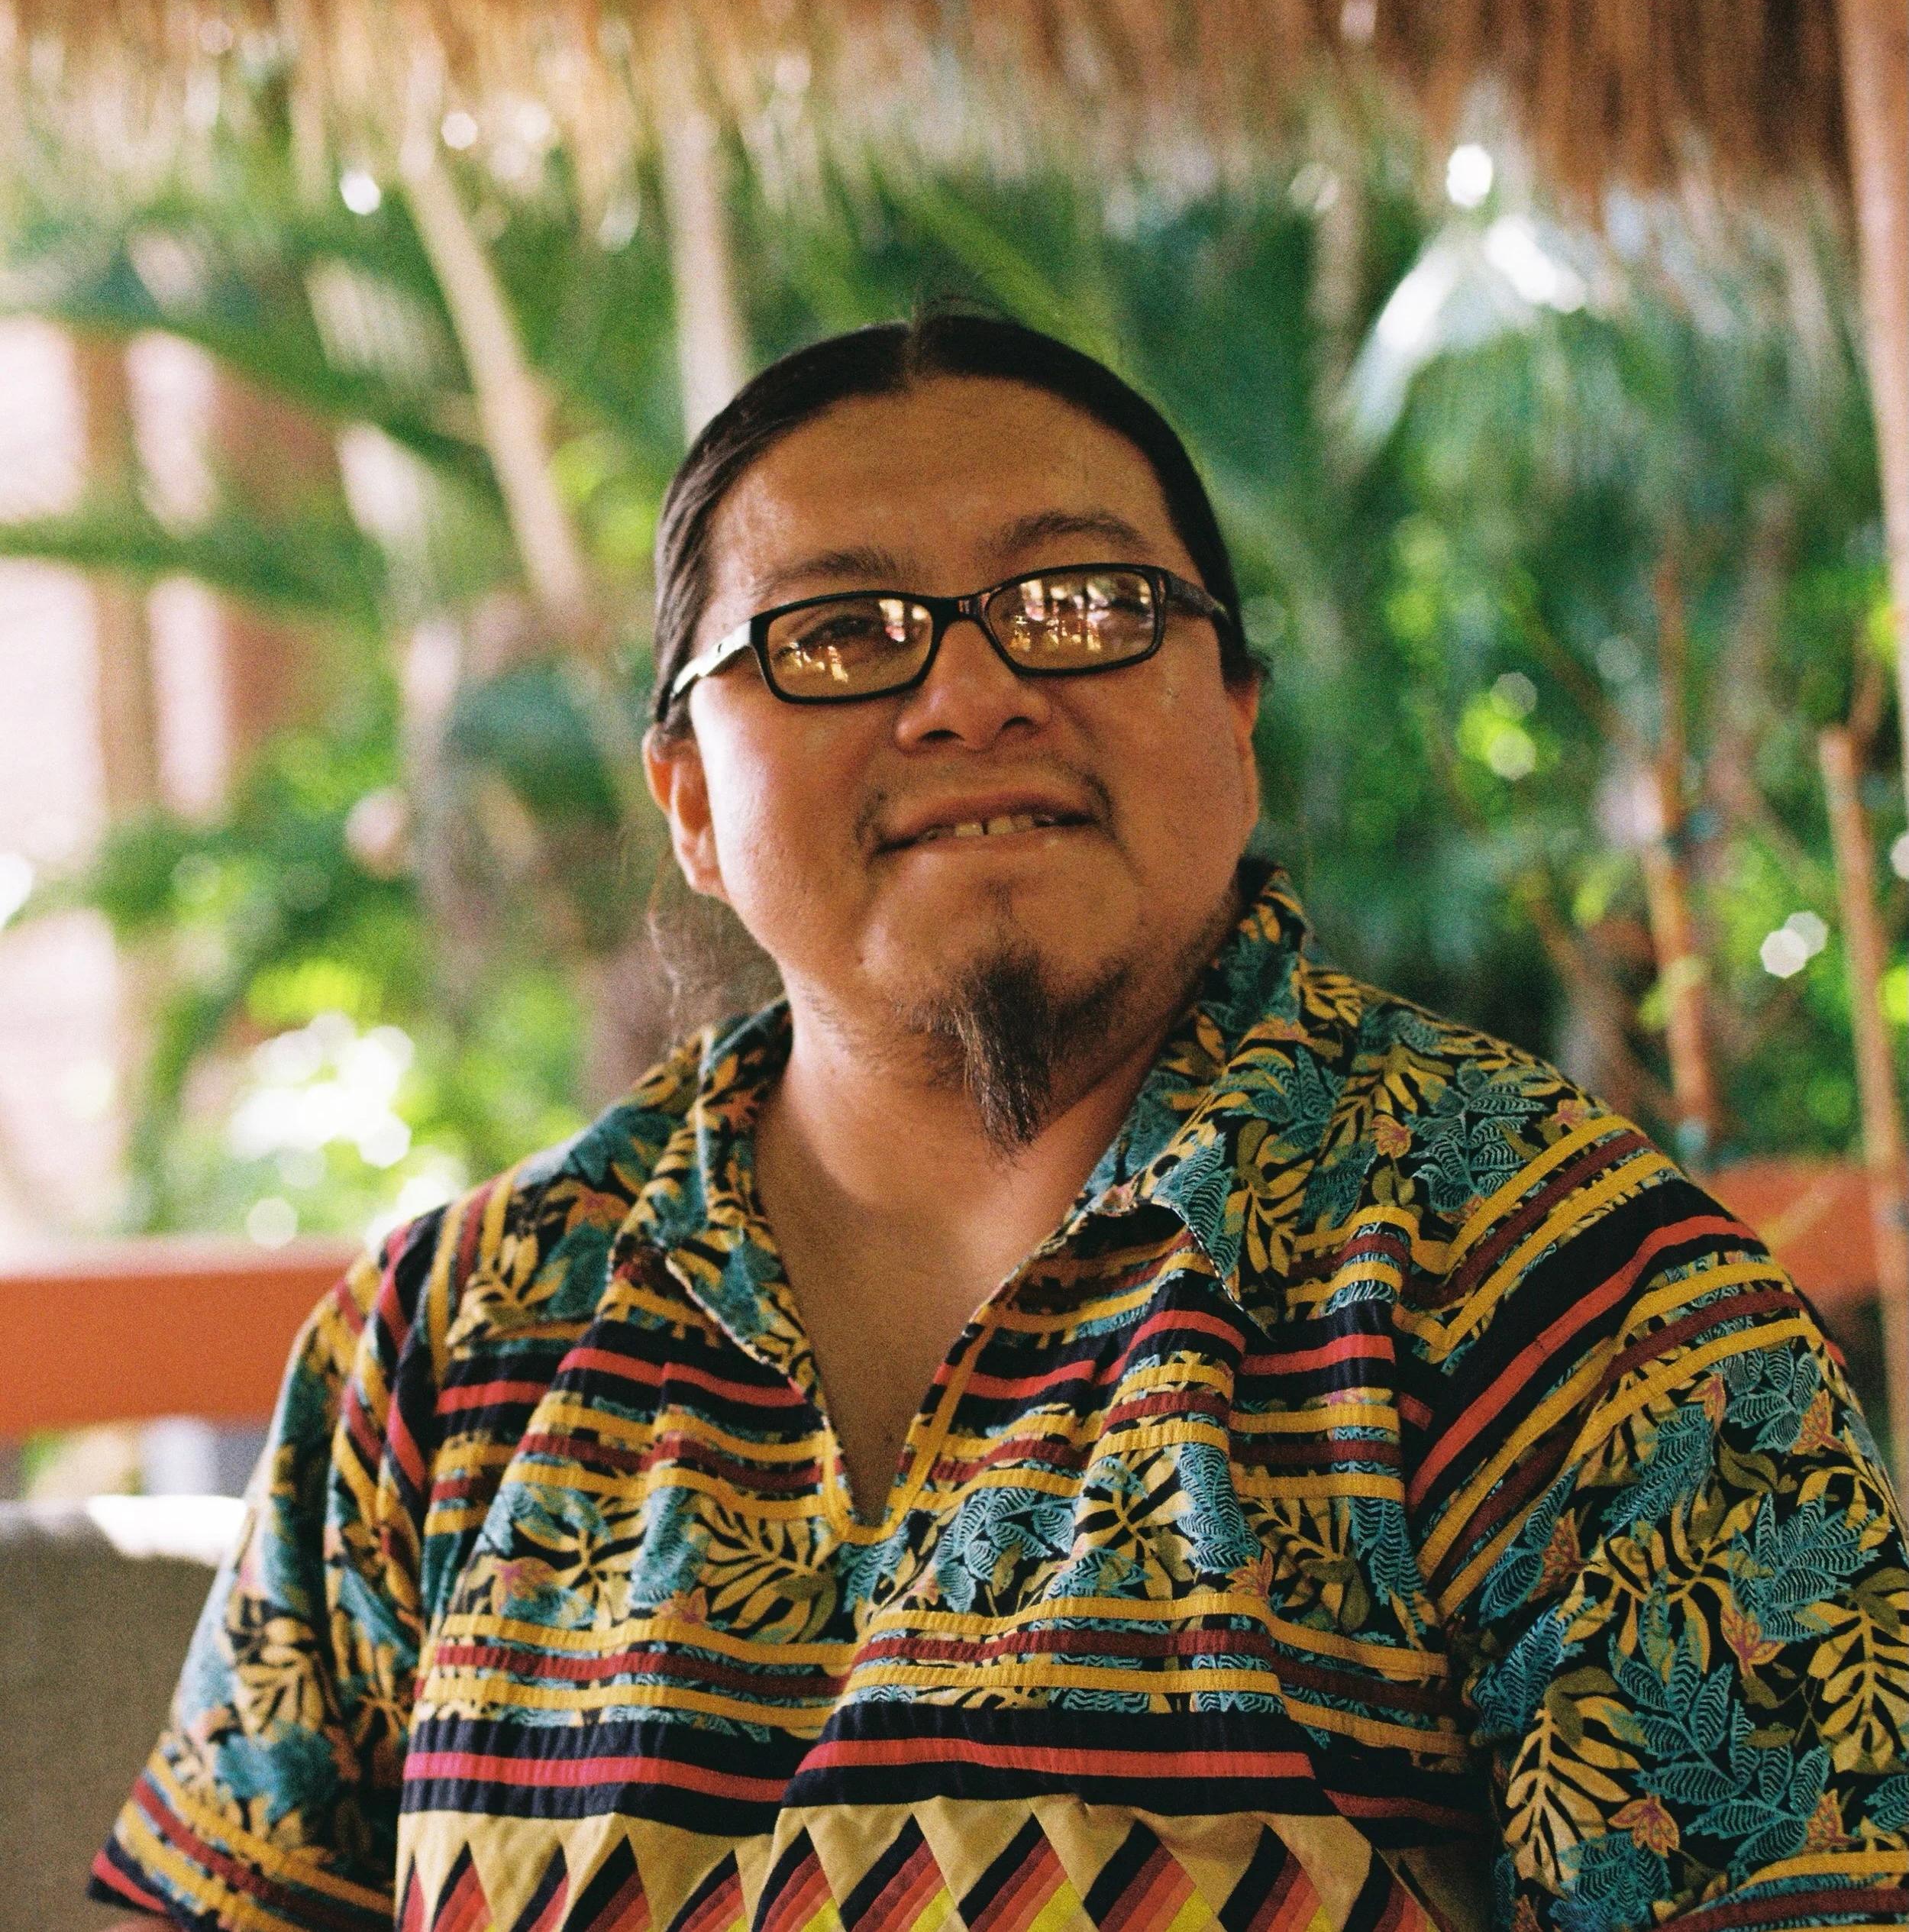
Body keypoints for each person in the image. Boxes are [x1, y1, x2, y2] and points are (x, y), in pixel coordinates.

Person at [95, 312, 1909, 1932]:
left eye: (1083, 603)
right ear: (688, 802)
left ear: (1236, 716)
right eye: (834, 633)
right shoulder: (451, 1342)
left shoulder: (1572, 1310)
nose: (969, 691)